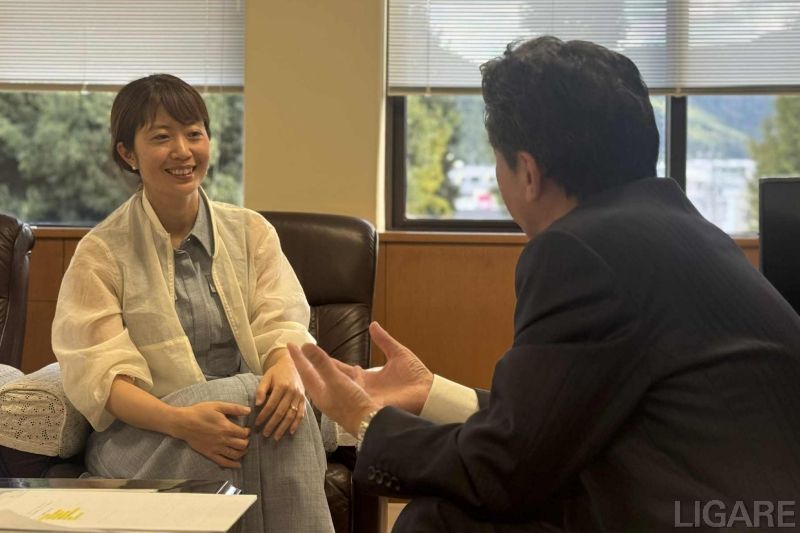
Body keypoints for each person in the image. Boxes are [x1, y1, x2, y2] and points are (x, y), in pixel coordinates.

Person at [288, 37, 800, 532]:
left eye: (498, 160)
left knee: (440, 518)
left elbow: (505, 470)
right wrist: (431, 393)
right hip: (752, 508)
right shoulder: (684, 231)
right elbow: (551, 423)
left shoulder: (579, 251)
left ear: (528, 173)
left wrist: (365, 420)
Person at [52, 74, 334, 533]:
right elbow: (102, 379)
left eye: (194, 133)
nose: (183, 151)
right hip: (149, 431)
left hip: (247, 417)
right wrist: (181, 422)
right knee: (234, 421)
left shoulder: (251, 232)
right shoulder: (100, 253)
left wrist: (285, 367)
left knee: (275, 410)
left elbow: (282, 321)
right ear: (128, 153)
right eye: (161, 137)